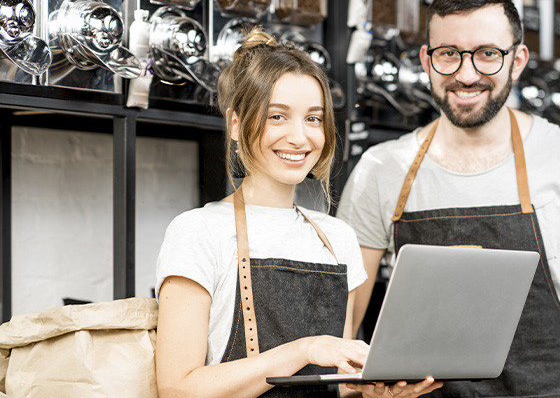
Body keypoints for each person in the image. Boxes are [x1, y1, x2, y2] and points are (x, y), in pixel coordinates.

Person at [336, 0, 560, 397]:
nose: (466, 74)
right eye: (449, 54)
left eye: (487, 55)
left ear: (517, 60)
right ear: (427, 61)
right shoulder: (380, 170)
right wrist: (361, 388)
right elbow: (342, 331)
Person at [154, 30, 440, 398]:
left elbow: (336, 382)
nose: (299, 137)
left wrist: (373, 390)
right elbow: (178, 389)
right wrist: (303, 349)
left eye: (313, 119)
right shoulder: (198, 232)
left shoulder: (337, 238)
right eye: (277, 116)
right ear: (237, 125)